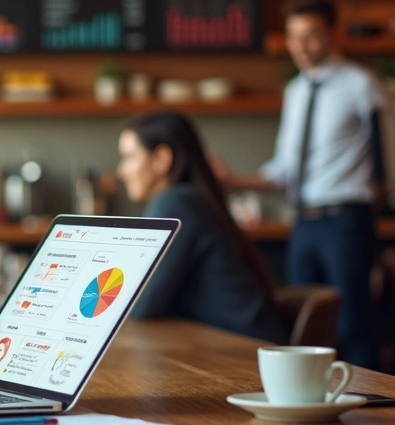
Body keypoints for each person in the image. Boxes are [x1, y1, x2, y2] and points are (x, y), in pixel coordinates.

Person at [214, 0, 392, 368]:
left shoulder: (362, 84)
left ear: (332, 34)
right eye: (294, 37)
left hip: (346, 219)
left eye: (310, 36)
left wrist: (381, 188)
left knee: (352, 325)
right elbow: (285, 170)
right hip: (304, 222)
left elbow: (394, 147)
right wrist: (234, 182)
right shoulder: (296, 91)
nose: (301, 47)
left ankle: (373, 416)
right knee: (305, 325)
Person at [118, 110, 286, 343]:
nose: (121, 171)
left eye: (129, 157)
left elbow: (142, 305)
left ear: (161, 159)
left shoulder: (175, 203)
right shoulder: (192, 199)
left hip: (243, 357)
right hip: (242, 347)